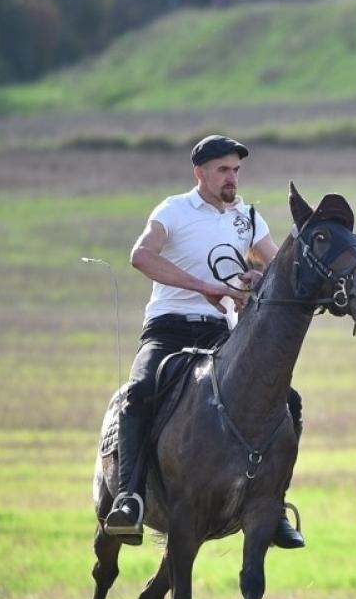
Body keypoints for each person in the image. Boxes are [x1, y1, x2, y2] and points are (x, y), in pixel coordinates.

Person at [103, 134, 304, 548]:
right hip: (167, 327)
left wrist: (258, 278)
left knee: (289, 400)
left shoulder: (248, 218)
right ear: (200, 173)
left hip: (221, 332)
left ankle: (274, 506)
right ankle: (129, 499)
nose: (232, 178)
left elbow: (280, 267)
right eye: (223, 170)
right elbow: (141, 256)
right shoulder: (173, 210)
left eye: (236, 170)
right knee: (139, 392)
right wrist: (204, 287)